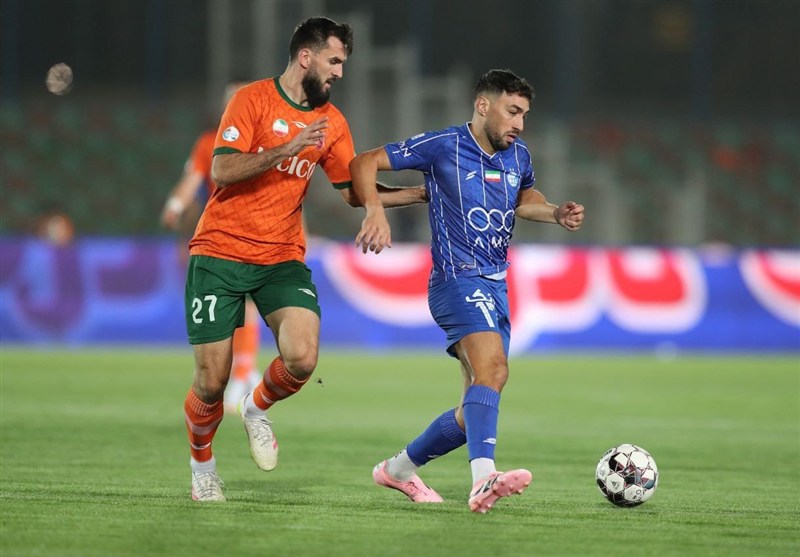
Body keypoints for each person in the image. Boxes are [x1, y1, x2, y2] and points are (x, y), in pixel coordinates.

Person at [183, 16, 427, 502]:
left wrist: (419, 194)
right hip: (219, 252)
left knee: (302, 356)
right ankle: (202, 467)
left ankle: (256, 408)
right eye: (334, 61)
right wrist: (287, 148)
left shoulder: (332, 123)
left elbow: (354, 192)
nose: (339, 72)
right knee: (211, 382)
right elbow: (223, 169)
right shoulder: (251, 99)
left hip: (281, 256)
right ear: (305, 56)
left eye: (343, 63)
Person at [349, 68, 585, 513]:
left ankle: (398, 470)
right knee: (493, 370)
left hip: (496, 283)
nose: (519, 124)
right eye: (512, 112)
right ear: (483, 105)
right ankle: (483, 479)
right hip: (456, 278)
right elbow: (363, 162)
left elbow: (524, 199)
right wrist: (375, 211)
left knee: (473, 407)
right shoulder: (444, 145)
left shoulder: (518, 156)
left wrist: (555, 213)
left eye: (524, 114)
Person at [161, 80, 263, 415]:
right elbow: (191, 181)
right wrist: (175, 206)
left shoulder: (268, 142)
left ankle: (243, 373)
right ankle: (242, 372)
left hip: (259, 232)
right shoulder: (209, 143)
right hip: (220, 233)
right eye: (230, 101)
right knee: (228, 305)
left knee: (246, 301)